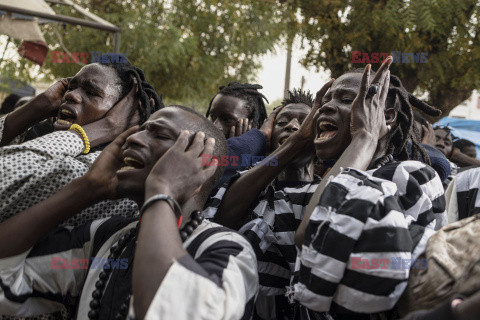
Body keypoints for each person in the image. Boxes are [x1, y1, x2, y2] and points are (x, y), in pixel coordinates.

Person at [209, 57, 446, 319]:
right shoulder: (303, 193)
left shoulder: (408, 178)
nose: (326, 108)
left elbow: (316, 235)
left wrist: (365, 136)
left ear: (385, 115)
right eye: (325, 101)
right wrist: (297, 141)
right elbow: (220, 219)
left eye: (346, 100)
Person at [0, 106, 258, 320]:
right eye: (141, 129)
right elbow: (6, 275)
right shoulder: (104, 237)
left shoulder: (230, 251)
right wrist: (86, 189)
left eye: (158, 134)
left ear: (200, 166)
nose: (133, 138)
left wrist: (163, 190)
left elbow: (172, 308)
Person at [0, 61, 163, 226]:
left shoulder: (109, 171)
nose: (70, 95)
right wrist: (40, 105)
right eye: (71, 88)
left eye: (91, 92)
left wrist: (101, 129)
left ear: (126, 114)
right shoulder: (40, 134)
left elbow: (5, 174)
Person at [206, 89, 316, 319]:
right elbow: (220, 218)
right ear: (267, 136)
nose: (293, 126)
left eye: (304, 123)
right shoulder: (248, 187)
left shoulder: (328, 190)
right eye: (282, 122)